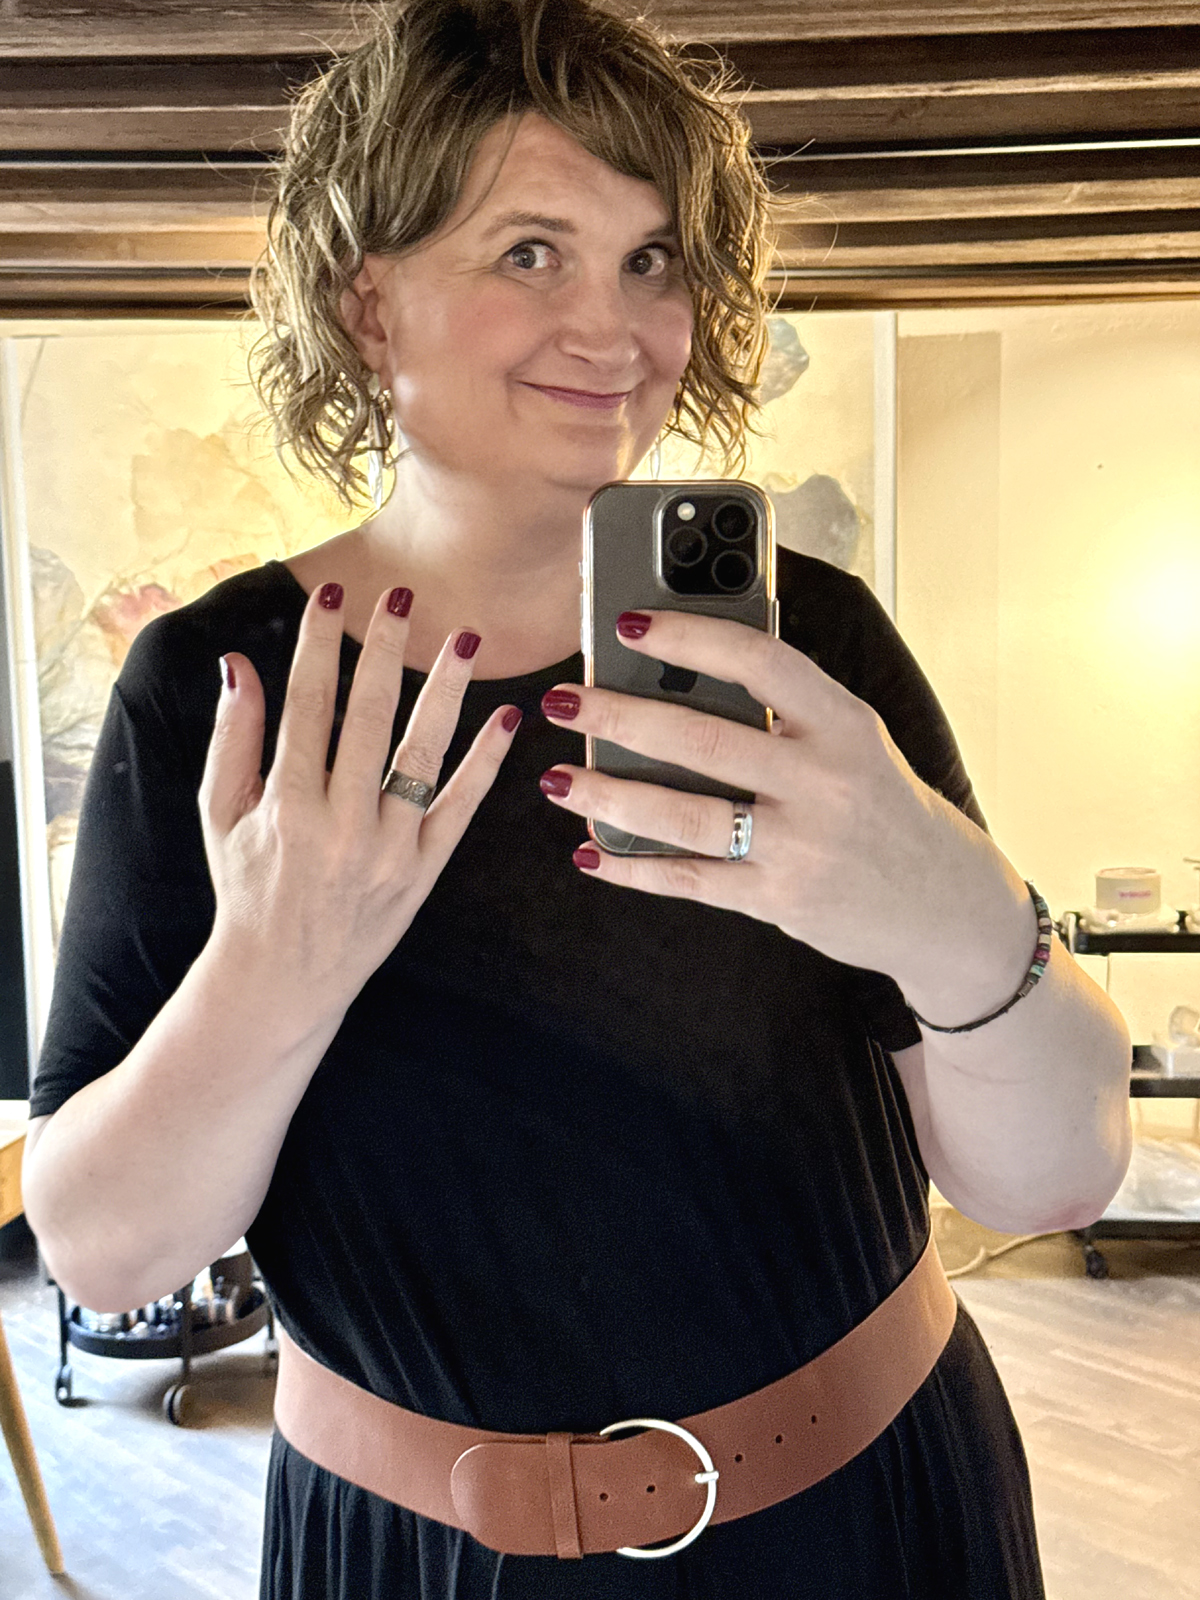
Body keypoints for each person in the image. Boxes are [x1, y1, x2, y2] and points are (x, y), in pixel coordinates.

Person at [22, 2, 1132, 1595]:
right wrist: (275, 966)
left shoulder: (806, 648)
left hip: (869, 1517)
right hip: (417, 1557)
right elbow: (104, 1250)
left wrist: (959, 921)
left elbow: (1050, 1182)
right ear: (368, 301)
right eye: (532, 252)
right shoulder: (222, 691)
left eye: (652, 259)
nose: (616, 332)